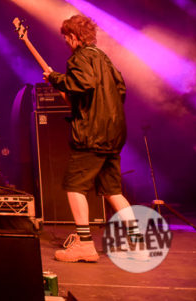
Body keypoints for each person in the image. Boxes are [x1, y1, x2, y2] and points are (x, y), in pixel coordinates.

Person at [45, 14, 141, 262]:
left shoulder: (80, 58)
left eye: (67, 37)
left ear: (74, 37)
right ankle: (137, 240)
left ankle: (85, 244)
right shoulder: (104, 58)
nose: (66, 42)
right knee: (112, 190)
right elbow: (120, 90)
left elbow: (83, 83)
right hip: (113, 133)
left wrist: (55, 78)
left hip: (92, 134)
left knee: (74, 186)